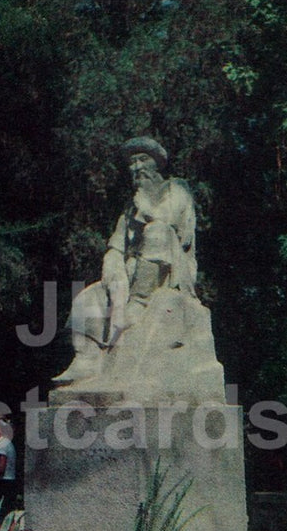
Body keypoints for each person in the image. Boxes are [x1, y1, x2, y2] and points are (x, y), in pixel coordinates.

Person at [53, 136, 197, 383]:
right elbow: (115, 247)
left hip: (168, 270)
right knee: (88, 297)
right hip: (132, 272)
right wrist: (113, 272)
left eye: (143, 160)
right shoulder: (130, 207)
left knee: (157, 231)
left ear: (157, 164)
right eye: (132, 163)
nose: (137, 167)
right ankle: (87, 359)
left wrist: (146, 208)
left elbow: (171, 225)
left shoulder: (176, 189)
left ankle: (139, 303)